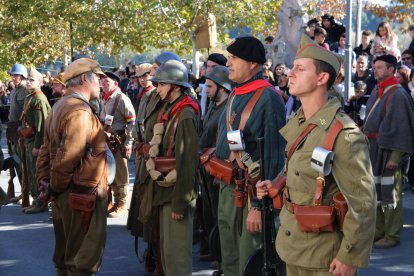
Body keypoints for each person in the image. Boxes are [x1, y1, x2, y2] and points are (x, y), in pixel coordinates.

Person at [257, 34, 376, 275]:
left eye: (299, 69)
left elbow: (363, 203)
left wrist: (349, 257)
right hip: (294, 245)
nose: (290, 73)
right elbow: (302, 171)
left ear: (321, 78)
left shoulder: (344, 134)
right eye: (292, 68)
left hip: (324, 257)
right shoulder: (302, 122)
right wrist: (277, 184)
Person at [213, 36, 285, 275]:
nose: (228, 63)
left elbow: (274, 158)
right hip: (229, 187)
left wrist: (259, 205)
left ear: (253, 64)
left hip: (253, 194)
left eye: (234, 58)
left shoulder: (268, 97)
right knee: (230, 259)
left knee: (249, 262)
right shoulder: (235, 93)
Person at [36, 58, 108, 275]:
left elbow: (45, 151)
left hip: (67, 194)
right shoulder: (79, 110)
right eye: (98, 79)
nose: (101, 84)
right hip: (79, 196)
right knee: (81, 262)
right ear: (85, 78)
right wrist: (53, 187)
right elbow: (68, 156)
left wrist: (46, 183)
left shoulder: (61, 105)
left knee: (67, 258)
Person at [127, 52, 182, 275]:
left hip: (160, 163)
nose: (151, 74)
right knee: (147, 213)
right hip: (146, 160)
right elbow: (142, 124)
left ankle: (159, 261)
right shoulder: (150, 96)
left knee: (159, 220)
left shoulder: (170, 99)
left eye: (156, 69)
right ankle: (154, 255)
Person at [148, 59, 200, 275]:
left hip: (176, 194)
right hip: (165, 191)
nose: (157, 89)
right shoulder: (172, 110)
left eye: (162, 84)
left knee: (177, 260)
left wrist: (180, 203)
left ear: (176, 87)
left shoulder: (185, 114)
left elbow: (187, 163)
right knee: (168, 256)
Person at [364, 55, 414, 249]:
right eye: (374, 67)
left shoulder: (398, 94)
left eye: (379, 67)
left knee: (391, 194)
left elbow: (402, 128)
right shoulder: (380, 90)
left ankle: (391, 234)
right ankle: (379, 231)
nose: (375, 70)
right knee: (376, 192)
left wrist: (395, 156)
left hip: (388, 151)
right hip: (375, 148)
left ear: (391, 70)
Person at [198, 65, 231, 262]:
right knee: (210, 212)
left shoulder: (228, 110)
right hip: (207, 167)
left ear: (222, 88)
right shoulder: (213, 106)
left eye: (210, 86)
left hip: (219, 168)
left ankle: (222, 256)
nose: (206, 90)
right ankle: (215, 249)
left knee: (221, 214)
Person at [100, 71, 136, 217]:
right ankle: (115, 203)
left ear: (115, 83)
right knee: (112, 173)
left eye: (106, 82)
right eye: (102, 82)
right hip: (108, 141)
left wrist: (129, 142)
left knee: (121, 175)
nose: (103, 84)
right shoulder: (105, 98)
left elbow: (131, 121)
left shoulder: (121, 98)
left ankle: (122, 205)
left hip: (119, 141)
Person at [21, 67, 51, 214]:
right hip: (29, 139)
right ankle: (35, 199)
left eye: (31, 80)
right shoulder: (30, 96)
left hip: (36, 141)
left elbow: (43, 125)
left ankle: (41, 201)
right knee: (32, 171)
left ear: (39, 82)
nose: (28, 82)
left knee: (38, 172)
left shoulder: (39, 98)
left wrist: (38, 146)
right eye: (27, 79)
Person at [6, 64, 28, 204]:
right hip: (12, 129)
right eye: (13, 75)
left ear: (23, 76)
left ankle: (29, 192)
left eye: (16, 75)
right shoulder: (14, 91)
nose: (14, 78)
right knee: (16, 161)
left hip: (21, 129)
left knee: (24, 162)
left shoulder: (26, 90)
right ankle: (23, 191)